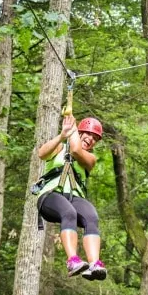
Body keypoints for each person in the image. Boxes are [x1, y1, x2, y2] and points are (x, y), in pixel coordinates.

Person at [35, 115, 106, 281]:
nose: (91, 139)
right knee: (69, 212)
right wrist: (62, 135)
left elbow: (75, 150)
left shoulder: (90, 159)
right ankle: (73, 260)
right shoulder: (60, 147)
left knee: (91, 216)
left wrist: (72, 128)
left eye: (95, 138)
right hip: (50, 195)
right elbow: (41, 154)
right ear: (80, 133)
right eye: (88, 134)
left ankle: (94, 263)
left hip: (74, 197)